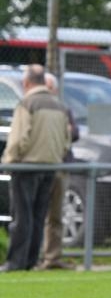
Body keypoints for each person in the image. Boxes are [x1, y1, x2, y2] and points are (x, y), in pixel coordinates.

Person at [0, 65, 70, 272]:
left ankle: (15, 262)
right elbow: (66, 141)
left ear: (27, 82)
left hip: (26, 167)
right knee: (39, 217)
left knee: (22, 216)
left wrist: (8, 161)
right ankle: (31, 259)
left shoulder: (27, 104)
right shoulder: (59, 106)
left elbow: (19, 138)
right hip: (51, 167)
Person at [37, 72, 79, 270]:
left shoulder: (63, 108)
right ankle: (32, 256)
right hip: (39, 166)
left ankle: (52, 257)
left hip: (60, 167)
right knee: (35, 213)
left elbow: (74, 133)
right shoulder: (32, 106)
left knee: (55, 215)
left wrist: (67, 131)